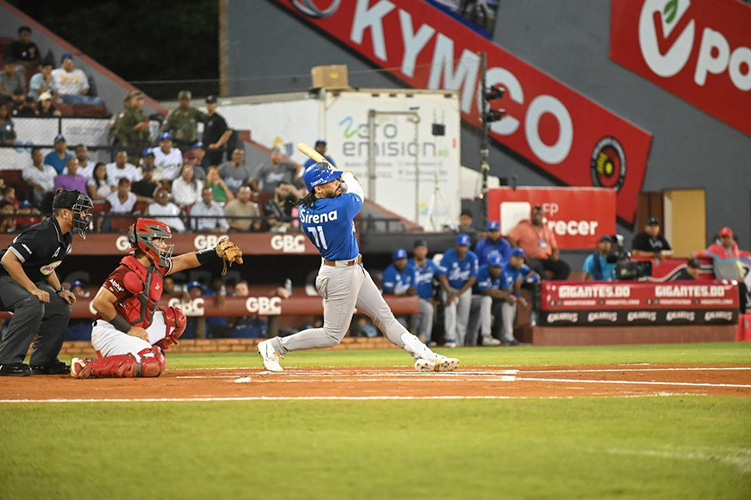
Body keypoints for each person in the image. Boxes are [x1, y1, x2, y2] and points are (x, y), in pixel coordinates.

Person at [257, 163, 458, 373]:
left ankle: (425, 355)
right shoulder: (339, 206)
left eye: (336, 179)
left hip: (350, 270)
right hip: (340, 274)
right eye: (331, 181)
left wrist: (342, 180)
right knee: (332, 335)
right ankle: (274, 346)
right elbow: (356, 193)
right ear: (318, 189)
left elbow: (343, 193)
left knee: (386, 318)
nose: (337, 183)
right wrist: (349, 177)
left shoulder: (307, 209)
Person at [70, 219, 243, 378]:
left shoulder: (155, 266)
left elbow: (184, 261)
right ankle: (88, 365)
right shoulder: (126, 271)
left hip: (134, 329)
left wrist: (215, 252)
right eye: (159, 240)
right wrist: (129, 329)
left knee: (175, 319)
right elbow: (99, 303)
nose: (164, 245)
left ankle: (145, 352)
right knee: (153, 364)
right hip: (110, 331)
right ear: (146, 242)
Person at [0, 190, 93, 376]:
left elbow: (47, 267)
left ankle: (43, 362)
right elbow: (8, 260)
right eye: (81, 210)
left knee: (60, 306)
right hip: (3, 276)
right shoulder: (42, 233)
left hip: (18, 280)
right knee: (32, 302)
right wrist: (33, 289)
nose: (85, 215)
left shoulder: (65, 236)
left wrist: (59, 290)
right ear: (65, 213)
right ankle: (6, 362)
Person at [508, 204, 570, 280]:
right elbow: (510, 238)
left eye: (540, 214)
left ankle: (554, 287)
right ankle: (546, 285)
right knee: (536, 265)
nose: (538, 216)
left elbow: (554, 247)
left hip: (546, 259)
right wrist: (520, 253)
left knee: (565, 268)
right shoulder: (522, 227)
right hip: (530, 259)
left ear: (543, 215)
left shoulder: (547, 229)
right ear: (531, 215)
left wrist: (555, 254)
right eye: (535, 214)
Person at [438, 233, 478, 347]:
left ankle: (459, 343)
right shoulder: (449, 255)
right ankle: (450, 339)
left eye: (465, 246)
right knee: (450, 307)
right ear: (456, 246)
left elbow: (472, 278)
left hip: (464, 289)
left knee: (463, 317)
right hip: (450, 287)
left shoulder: (472, 257)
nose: (462, 248)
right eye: (460, 245)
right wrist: (450, 292)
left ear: (468, 246)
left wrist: (459, 294)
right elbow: (442, 276)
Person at [468, 254, 510, 347]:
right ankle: (486, 336)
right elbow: (486, 291)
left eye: (499, 267)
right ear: (489, 266)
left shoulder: (502, 273)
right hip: (473, 299)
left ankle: (507, 337)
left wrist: (500, 294)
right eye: (495, 267)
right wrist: (502, 294)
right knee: (487, 299)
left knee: (507, 303)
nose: (497, 269)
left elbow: (507, 291)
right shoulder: (482, 270)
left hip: (490, 302)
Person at [502, 248, 540, 345]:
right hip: (499, 296)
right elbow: (506, 290)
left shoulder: (522, 268)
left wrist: (523, 279)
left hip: (509, 296)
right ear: (511, 258)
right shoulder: (504, 269)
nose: (520, 261)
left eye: (522, 258)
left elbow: (537, 278)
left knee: (512, 301)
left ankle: (508, 337)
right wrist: (518, 297)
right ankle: (508, 337)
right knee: (510, 302)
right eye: (517, 258)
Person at [408, 240, 441, 344]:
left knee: (428, 315)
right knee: (415, 321)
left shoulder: (431, 264)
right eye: (419, 249)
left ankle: (425, 339)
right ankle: (421, 340)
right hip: (414, 298)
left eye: (423, 249)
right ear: (414, 251)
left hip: (428, 297)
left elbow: (441, 276)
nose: (421, 252)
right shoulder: (409, 264)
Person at [382, 248, 417, 329]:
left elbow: (414, 289)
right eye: (398, 260)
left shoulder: (411, 269)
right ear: (394, 261)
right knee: (401, 322)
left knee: (423, 312)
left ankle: (423, 338)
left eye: (403, 259)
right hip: (395, 303)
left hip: (409, 301)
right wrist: (404, 291)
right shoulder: (389, 271)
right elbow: (388, 290)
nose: (401, 262)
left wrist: (411, 291)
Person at [113, 90, 149, 163]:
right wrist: (135, 128)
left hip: (140, 146)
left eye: (141, 99)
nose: (140, 101)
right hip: (128, 147)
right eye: (137, 99)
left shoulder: (143, 115)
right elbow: (119, 131)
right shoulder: (125, 114)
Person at [202, 95, 232, 166]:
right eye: (208, 103)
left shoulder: (219, 119)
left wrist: (217, 145)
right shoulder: (206, 118)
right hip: (206, 149)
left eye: (212, 103)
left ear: (216, 105)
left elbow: (228, 132)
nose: (210, 105)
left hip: (215, 151)